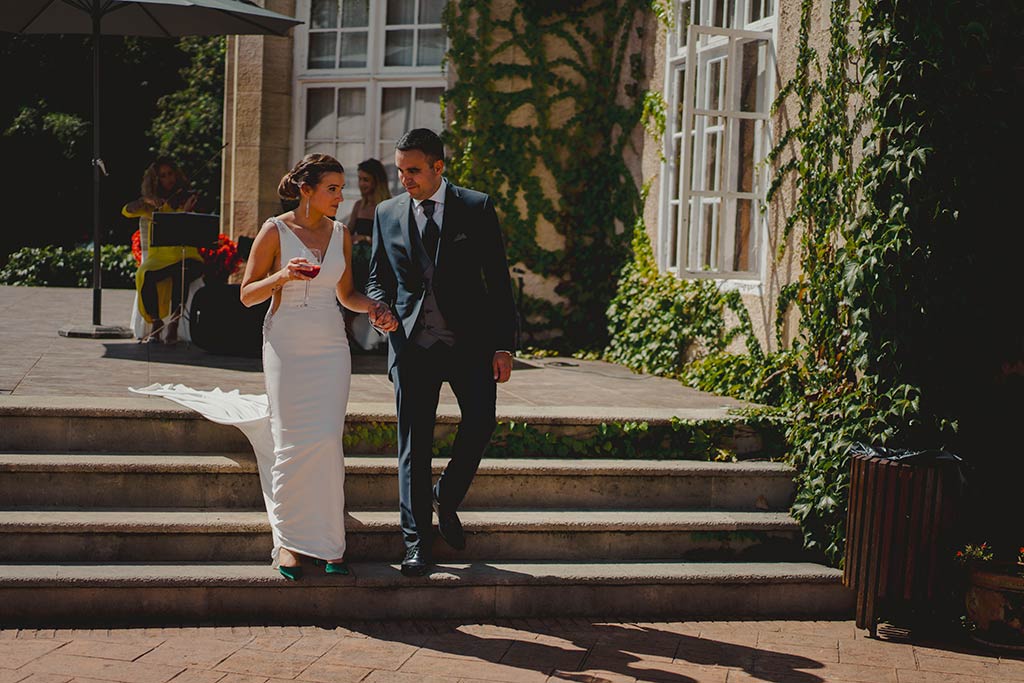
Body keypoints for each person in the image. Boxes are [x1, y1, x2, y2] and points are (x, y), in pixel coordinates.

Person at [366, 128, 518, 577]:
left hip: (468, 342)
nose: (404, 180)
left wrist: (503, 344)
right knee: (414, 445)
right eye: (399, 171)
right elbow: (377, 277)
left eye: (413, 171)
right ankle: (416, 544)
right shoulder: (386, 213)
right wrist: (382, 310)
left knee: (481, 421)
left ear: (438, 167)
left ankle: (446, 496)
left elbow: (497, 279)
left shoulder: (476, 206)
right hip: (411, 344)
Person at [240, 153, 398, 580]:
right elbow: (247, 294)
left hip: (330, 346)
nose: (340, 196)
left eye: (341, 188)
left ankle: (329, 542)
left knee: (327, 441)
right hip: (286, 344)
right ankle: (290, 543)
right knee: (291, 441)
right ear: (306, 190)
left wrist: (375, 307)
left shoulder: (342, 233)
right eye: (332, 188)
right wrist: (282, 277)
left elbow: (346, 294)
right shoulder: (274, 231)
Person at [123, 157, 202, 344]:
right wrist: (145, 200)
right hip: (160, 258)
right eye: (163, 176)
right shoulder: (151, 205)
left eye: (170, 174)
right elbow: (126, 210)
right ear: (156, 180)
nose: (169, 179)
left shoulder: (185, 197)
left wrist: (187, 212)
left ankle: (174, 322)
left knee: (180, 273)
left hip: (187, 255)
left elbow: (198, 226)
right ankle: (157, 322)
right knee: (145, 274)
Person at [345, 159, 392, 349]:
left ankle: (381, 342)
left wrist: (365, 239)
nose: (361, 184)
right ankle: (350, 340)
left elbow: (390, 238)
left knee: (378, 300)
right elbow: (347, 234)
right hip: (356, 262)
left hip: (376, 261)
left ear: (376, 181)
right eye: (359, 179)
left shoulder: (387, 206)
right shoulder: (358, 206)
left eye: (366, 179)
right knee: (349, 301)